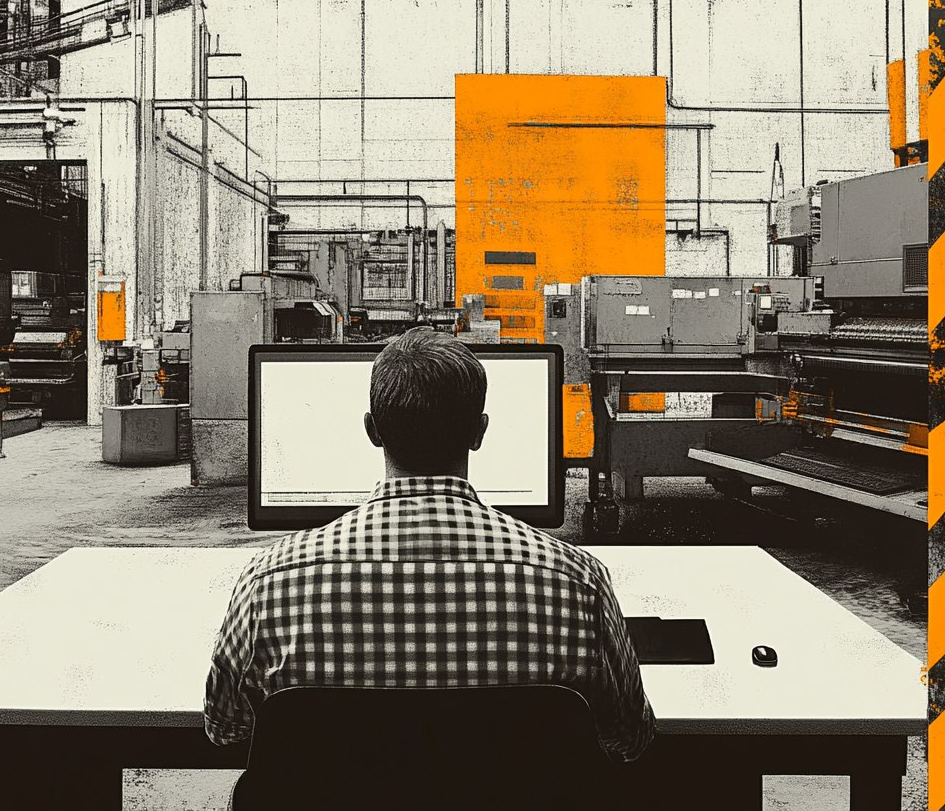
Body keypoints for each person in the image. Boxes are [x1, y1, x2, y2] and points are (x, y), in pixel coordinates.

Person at [203, 327, 655, 763]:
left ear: (372, 430)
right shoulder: (577, 581)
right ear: (479, 432)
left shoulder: (269, 582)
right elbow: (630, 737)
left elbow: (225, 728)